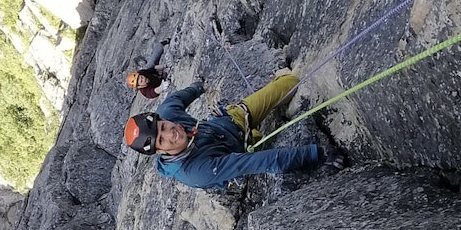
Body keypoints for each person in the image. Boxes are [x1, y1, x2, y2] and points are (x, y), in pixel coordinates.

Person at [122, 72, 341, 189]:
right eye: (162, 139)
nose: (171, 133)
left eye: (163, 126)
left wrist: (198, 88)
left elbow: (176, 99)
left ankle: (276, 86)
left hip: (234, 118)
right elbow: (262, 163)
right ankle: (256, 136)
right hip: (239, 153)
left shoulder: (167, 114)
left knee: (291, 82)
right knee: (258, 142)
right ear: (159, 151)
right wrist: (317, 154)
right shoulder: (196, 171)